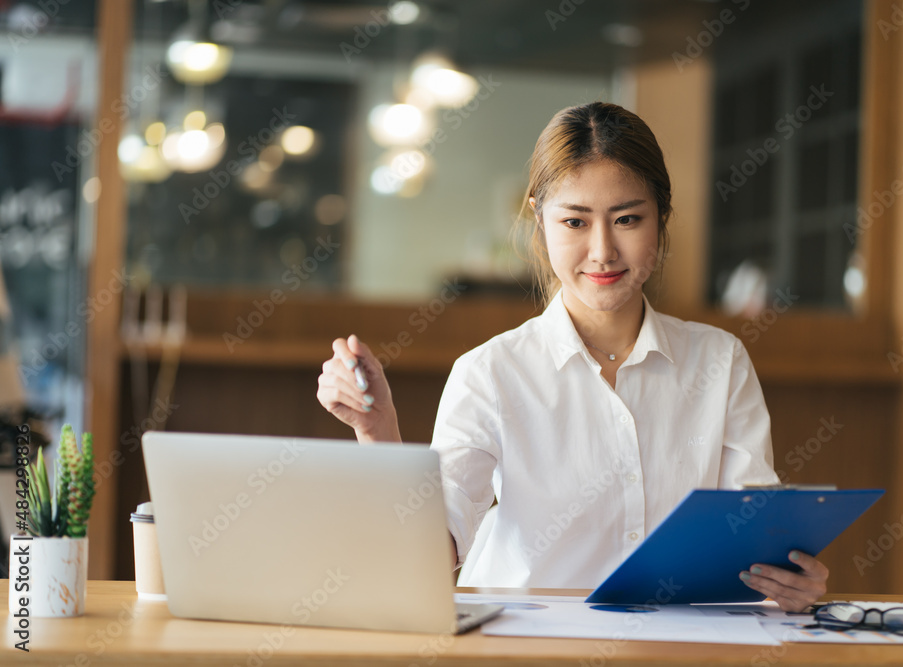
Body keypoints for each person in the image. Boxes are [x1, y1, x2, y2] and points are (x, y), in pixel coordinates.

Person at [316, 102, 828, 612]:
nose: (603, 250)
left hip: (674, 648)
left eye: (627, 218)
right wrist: (377, 431)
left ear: (662, 219)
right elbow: (427, 556)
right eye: (575, 222)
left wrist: (788, 582)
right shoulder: (490, 373)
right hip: (524, 649)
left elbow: (752, 543)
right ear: (540, 221)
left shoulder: (721, 360)